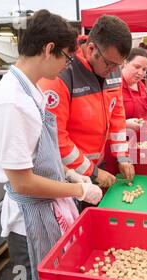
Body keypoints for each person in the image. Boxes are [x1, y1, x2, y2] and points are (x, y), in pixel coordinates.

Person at [0, 10, 103, 280]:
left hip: (47, 210)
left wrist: (67, 172)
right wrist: (78, 189)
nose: (67, 65)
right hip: (29, 224)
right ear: (49, 49)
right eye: (67, 57)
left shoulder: (30, 91)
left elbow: (39, 154)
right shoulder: (11, 103)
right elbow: (23, 182)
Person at [39, 15, 135, 189]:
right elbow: (56, 138)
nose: (114, 70)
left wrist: (122, 155)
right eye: (109, 64)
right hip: (68, 177)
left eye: (118, 65)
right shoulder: (60, 74)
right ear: (91, 49)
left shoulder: (113, 69)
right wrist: (92, 171)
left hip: (97, 167)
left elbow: (117, 116)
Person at [122, 48, 147, 130]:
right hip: (124, 140)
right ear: (125, 63)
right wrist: (124, 124)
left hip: (143, 138)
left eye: (144, 69)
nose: (140, 73)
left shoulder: (141, 85)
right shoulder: (114, 87)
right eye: (137, 67)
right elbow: (101, 121)